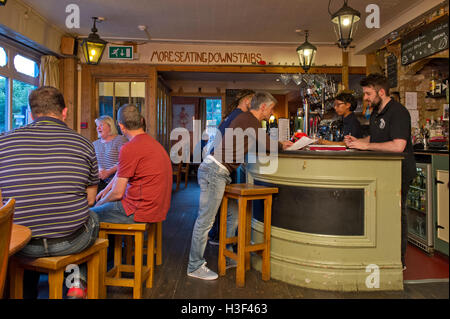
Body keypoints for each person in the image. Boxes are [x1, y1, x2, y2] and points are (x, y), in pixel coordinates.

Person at [0, 86, 99, 299]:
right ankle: (76, 282)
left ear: (31, 113)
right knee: (91, 219)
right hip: (69, 241)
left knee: (32, 232)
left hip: (20, 244)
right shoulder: (84, 144)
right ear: (64, 112)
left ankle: (26, 292)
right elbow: (91, 200)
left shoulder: (3, 142)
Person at [187, 92, 292, 280]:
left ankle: (227, 255)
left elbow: (256, 145)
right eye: (271, 109)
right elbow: (267, 144)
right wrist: (284, 145)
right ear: (262, 107)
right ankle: (194, 266)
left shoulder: (247, 120)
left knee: (233, 215)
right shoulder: (250, 119)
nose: (271, 113)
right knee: (205, 221)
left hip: (219, 172)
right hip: (215, 172)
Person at [344, 73, 416, 270]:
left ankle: (398, 261)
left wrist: (366, 147)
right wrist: (358, 142)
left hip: (399, 171)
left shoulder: (398, 112)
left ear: (381, 92)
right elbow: (376, 138)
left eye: (368, 93)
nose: (365, 98)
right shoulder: (376, 112)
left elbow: (398, 145)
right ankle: (382, 253)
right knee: (382, 214)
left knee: (396, 215)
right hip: (382, 171)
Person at [92, 104, 172, 225]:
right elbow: (121, 172)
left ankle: (105, 244)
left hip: (139, 210)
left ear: (121, 126)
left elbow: (117, 193)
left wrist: (98, 205)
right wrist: (107, 189)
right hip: (158, 208)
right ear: (141, 121)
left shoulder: (129, 148)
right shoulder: (155, 144)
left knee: (87, 216)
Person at [207, 89, 255, 245]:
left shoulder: (232, 115)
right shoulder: (241, 116)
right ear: (247, 101)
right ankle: (221, 237)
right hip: (223, 164)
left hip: (217, 161)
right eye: (253, 100)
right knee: (223, 203)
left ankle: (218, 235)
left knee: (220, 202)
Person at [93, 115, 128, 192]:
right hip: (98, 183)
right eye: (97, 126)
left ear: (110, 126)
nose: (98, 128)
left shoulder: (121, 140)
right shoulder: (95, 144)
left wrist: (109, 172)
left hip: (117, 184)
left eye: (101, 125)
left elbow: (127, 162)